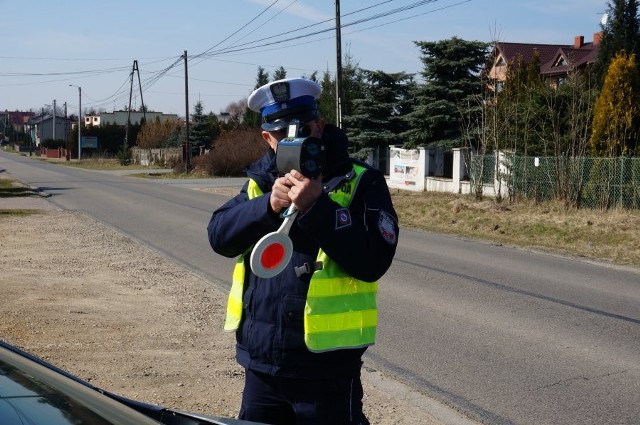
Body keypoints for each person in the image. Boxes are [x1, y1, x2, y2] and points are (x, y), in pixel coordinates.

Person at [207, 77, 399, 425]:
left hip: (327, 370)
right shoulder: (260, 183)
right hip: (263, 365)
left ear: (320, 125)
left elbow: (374, 261)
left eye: (303, 127)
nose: (295, 139)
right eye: (282, 133)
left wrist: (319, 208)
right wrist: (268, 205)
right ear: (267, 138)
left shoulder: (360, 181)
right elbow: (219, 236)